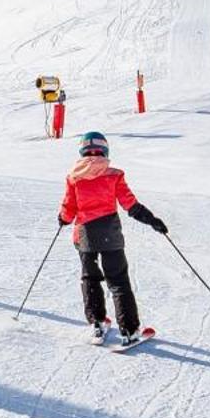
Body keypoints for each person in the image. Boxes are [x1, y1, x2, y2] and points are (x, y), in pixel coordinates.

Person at [57, 131, 167, 345]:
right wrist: (152, 220)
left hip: (84, 236)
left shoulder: (74, 177)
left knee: (90, 278)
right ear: (105, 149)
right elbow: (130, 205)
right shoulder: (113, 175)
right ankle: (129, 331)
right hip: (110, 235)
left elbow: (69, 208)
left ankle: (97, 324)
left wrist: (62, 219)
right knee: (118, 281)